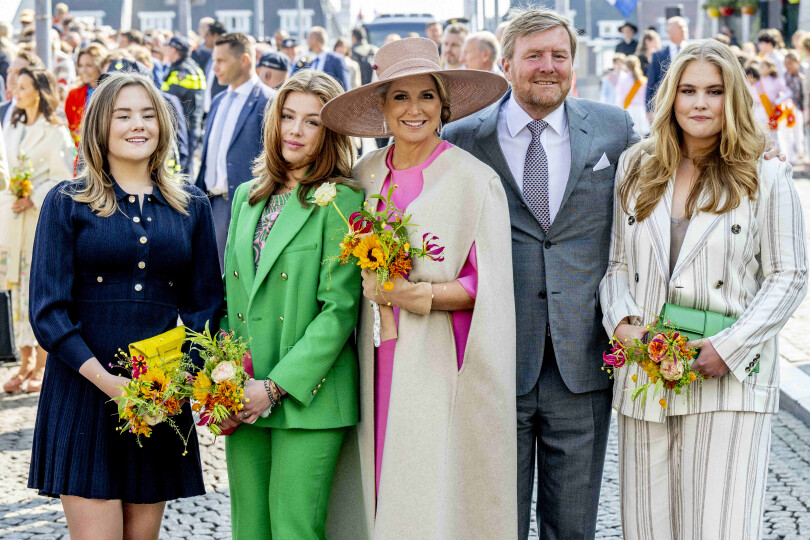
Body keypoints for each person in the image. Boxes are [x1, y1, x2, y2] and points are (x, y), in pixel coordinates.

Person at [442, 8, 640, 539]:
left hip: (581, 365)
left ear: (574, 62)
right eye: (534, 56)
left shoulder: (614, 129)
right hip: (493, 359)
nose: (547, 67)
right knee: (493, 523)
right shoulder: (461, 139)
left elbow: (670, 170)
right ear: (507, 64)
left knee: (573, 528)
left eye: (559, 55)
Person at [600, 39, 807, 540]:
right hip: (645, 379)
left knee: (719, 528)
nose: (699, 103)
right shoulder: (636, 166)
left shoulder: (766, 174)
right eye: (688, 90)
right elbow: (617, 264)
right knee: (646, 529)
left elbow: (790, 275)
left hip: (727, 383)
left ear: (731, 98)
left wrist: (728, 348)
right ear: (670, 96)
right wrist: (623, 323)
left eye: (713, 92)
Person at [322, 37, 516, 539]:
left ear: (443, 105)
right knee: (375, 475)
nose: (415, 109)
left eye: (426, 96)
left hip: (435, 359)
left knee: (426, 482)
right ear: (382, 107)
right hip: (370, 358)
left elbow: (489, 285)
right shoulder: (361, 178)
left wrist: (422, 296)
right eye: (400, 97)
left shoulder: (475, 180)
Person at [26, 72, 221, 539]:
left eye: (149, 114)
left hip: (157, 398)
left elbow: (205, 308)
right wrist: (109, 383)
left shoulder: (190, 205)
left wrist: (177, 383)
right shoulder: (67, 201)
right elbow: (48, 311)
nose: (139, 125)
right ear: (101, 126)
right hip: (83, 393)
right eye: (124, 114)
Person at [219, 69, 362, 540]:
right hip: (244, 396)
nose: (295, 131)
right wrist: (225, 384)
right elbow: (233, 299)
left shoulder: (340, 200)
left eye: (312, 122)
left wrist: (274, 388)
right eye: (287, 116)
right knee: (250, 530)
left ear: (331, 132)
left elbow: (339, 310)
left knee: (293, 530)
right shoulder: (246, 196)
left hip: (307, 398)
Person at [1, 67, 74, 395]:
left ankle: (44, 364)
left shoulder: (54, 128)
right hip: (13, 219)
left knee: (37, 287)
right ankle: (25, 361)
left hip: (39, 219)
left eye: (25, 86)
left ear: (40, 91)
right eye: (16, 86)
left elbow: (65, 179)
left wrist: (33, 193)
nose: (17, 91)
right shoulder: (12, 125)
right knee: (14, 289)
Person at [195, 32, 274, 270]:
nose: (214, 68)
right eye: (214, 60)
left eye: (221, 61)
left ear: (245, 60)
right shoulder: (219, 100)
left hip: (248, 206)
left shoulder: (269, 101)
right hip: (213, 204)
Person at [161, 34, 206, 155]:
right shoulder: (189, 66)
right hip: (189, 125)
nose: (165, 51)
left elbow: (168, 98)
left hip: (185, 127)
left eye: (168, 48)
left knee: (184, 167)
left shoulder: (183, 71)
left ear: (174, 50)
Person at [65, 43, 107, 146]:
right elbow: (69, 126)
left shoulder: (110, 92)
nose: (83, 70)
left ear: (100, 66)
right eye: (80, 65)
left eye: (89, 65)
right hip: (80, 151)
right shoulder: (73, 94)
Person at [646, 16, 689, 117]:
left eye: (685, 27)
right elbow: (651, 83)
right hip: (665, 106)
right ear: (669, 31)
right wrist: (648, 109)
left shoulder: (695, 52)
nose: (684, 30)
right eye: (680, 27)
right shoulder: (658, 56)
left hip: (688, 103)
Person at [0, 51, 44, 128]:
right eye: (9, 71)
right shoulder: (2, 110)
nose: (11, 76)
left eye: (18, 72)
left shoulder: (44, 117)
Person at [616, 55, 649, 136]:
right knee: (641, 136)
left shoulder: (623, 79)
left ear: (626, 67)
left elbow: (620, 97)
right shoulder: (643, 80)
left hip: (629, 109)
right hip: (641, 110)